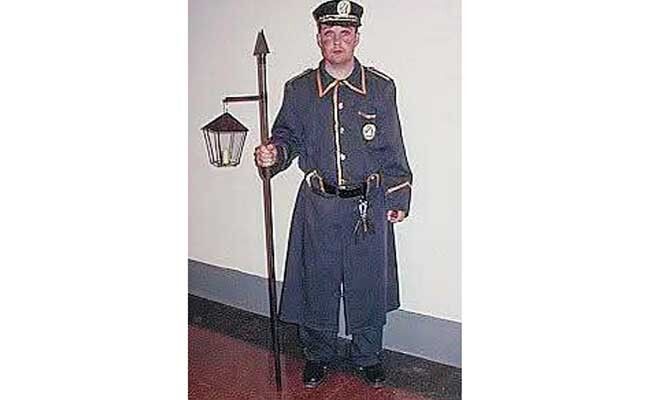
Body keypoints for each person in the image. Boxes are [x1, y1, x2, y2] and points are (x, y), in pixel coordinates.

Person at [254, 0, 412, 389]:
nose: (337, 41)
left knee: (368, 283)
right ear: (319, 39)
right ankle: (318, 355)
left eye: (345, 33)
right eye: (329, 34)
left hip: (367, 206)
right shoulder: (299, 90)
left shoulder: (380, 88)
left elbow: (392, 146)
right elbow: (287, 137)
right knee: (317, 282)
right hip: (317, 205)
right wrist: (274, 152)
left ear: (356, 37)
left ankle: (368, 356)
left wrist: (398, 196)